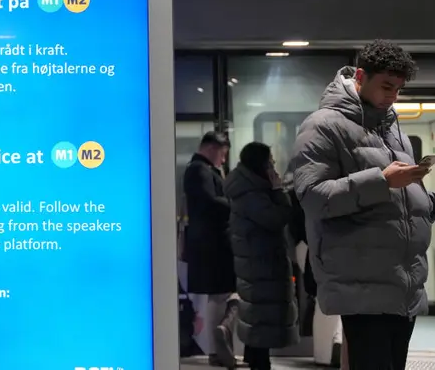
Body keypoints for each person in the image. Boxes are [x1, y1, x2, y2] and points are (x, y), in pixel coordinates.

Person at [291, 39, 434, 370]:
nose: (392, 96)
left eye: (398, 89)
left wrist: (427, 202)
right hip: (362, 287)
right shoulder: (322, 125)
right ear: (360, 76)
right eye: (386, 86)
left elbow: (400, 197)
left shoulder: (391, 126)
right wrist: (382, 181)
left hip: (402, 286)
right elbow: (313, 197)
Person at [225, 142, 299, 370]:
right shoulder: (251, 193)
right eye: (270, 161)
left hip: (257, 262)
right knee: (261, 316)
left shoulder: (247, 188)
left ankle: (255, 358)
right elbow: (276, 218)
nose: (273, 165)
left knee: (258, 315)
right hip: (261, 264)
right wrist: (278, 191)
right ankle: (259, 363)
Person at [182, 131, 238, 368]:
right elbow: (210, 202)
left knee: (221, 293)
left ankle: (219, 348)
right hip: (213, 243)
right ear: (212, 148)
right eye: (222, 154)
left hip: (209, 242)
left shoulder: (199, 170)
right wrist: (235, 205)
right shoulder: (200, 170)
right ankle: (218, 347)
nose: (223, 160)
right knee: (221, 292)